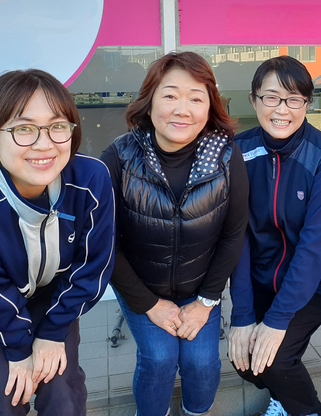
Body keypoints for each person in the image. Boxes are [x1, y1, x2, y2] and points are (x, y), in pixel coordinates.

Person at [0, 69, 115, 415]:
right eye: (23, 129)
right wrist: (18, 348)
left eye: (57, 126)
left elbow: (92, 267)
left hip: (48, 287)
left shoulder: (91, 179)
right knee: (7, 391)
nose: (44, 144)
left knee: (61, 386)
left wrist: (52, 333)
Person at [100, 51, 249, 416]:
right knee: (159, 357)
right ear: (149, 101)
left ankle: (197, 412)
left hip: (201, 289)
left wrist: (206, 301)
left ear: (209, 107)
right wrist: (149, 304)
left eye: (196, 98)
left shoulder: (226, 156)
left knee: (202, 363)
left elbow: (233, 235)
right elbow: (105, 242)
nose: (182, 110)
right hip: (141, 286)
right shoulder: (119, 157)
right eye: (170, 96)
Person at [228, 56, 321, 416]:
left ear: (307, 104)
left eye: (294, 99)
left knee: (276, 359)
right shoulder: (237, 151)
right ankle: (283, 398)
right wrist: (242, 315)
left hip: (318, 278)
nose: (282, 109)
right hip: (261, 275)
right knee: (244, 358)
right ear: (254, 100)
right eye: (271, 97)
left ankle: (308, 411)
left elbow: (315, 248)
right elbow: (237, 237)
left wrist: (277, 320)